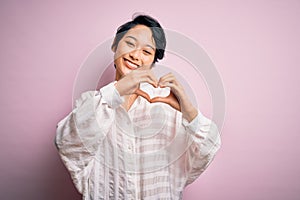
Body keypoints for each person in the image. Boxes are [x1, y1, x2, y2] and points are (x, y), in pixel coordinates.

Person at [55, 14, 221, 200]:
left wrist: (188, 110)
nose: (135, 55)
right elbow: (67, 143)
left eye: (146, 52)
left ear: (152, 62)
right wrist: (117, 91)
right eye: (130, 43)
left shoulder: (169, 109)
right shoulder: (93, 104)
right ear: (115, 47)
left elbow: (207, 150)